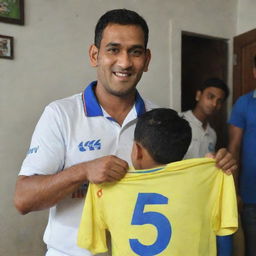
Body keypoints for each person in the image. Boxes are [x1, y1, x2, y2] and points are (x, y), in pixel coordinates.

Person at [14, 9, 237, 256]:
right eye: (113, 49)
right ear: (94, 55)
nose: (125, 62)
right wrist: (83, 171)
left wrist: (213, 166)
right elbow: (24, 199)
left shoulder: (159, 118)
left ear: (147, 59)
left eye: (135, 51)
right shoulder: (61, 114)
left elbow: (177, 186)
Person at [78, 108, 238, 255]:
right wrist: (210, 169)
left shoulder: (105, 184)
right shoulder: (209, 178)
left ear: (137, 150)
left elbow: (95, 242)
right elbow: (225, 233)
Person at [228, 55, 256, 256]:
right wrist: (234, 191)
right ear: (254, 72)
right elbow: (234, 147)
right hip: (250, 196)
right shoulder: (244, 103)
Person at [181, 78, 229, 159]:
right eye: (211, 97)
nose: (214, 104)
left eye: (219, 101)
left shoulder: (212, 134)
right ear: (198, 95)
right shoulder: (180, 121)